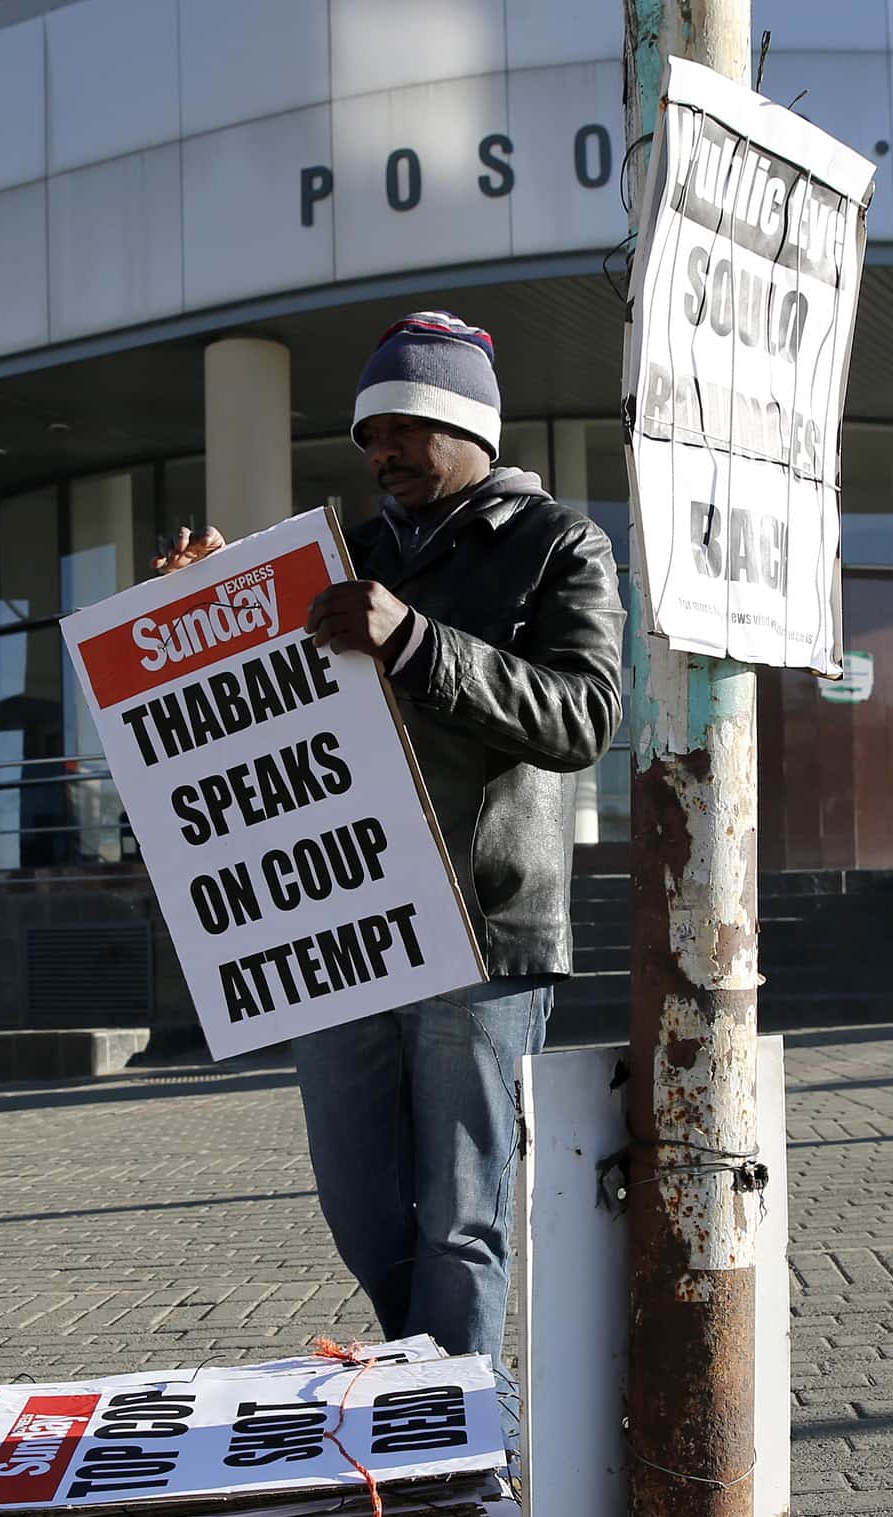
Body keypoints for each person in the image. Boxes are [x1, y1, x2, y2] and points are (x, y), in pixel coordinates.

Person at [153, 310, 624, 1361]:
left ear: (469, 429)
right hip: (347, 925)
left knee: (464, 1218)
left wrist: (415, 640)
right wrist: (211, 608)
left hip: (480, 929)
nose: (381, 452)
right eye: (368, 435)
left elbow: (586, 716)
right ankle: (437, 1405)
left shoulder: (558, 544)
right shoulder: (345, 553)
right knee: (362, 1208)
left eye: (405, 426)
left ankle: (461, 1460)